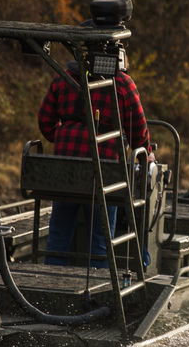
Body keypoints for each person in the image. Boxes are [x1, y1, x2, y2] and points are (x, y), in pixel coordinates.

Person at [37, 51, 150, 267]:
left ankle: (51, 282)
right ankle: (99, 289)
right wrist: (144, 150)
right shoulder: (122, 84)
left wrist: (63, 136)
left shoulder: (63, 78)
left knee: (58, 237)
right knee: (101, 238)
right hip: (104, 171)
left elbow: (45, 120)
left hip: (65, 170)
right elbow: (138, 127)